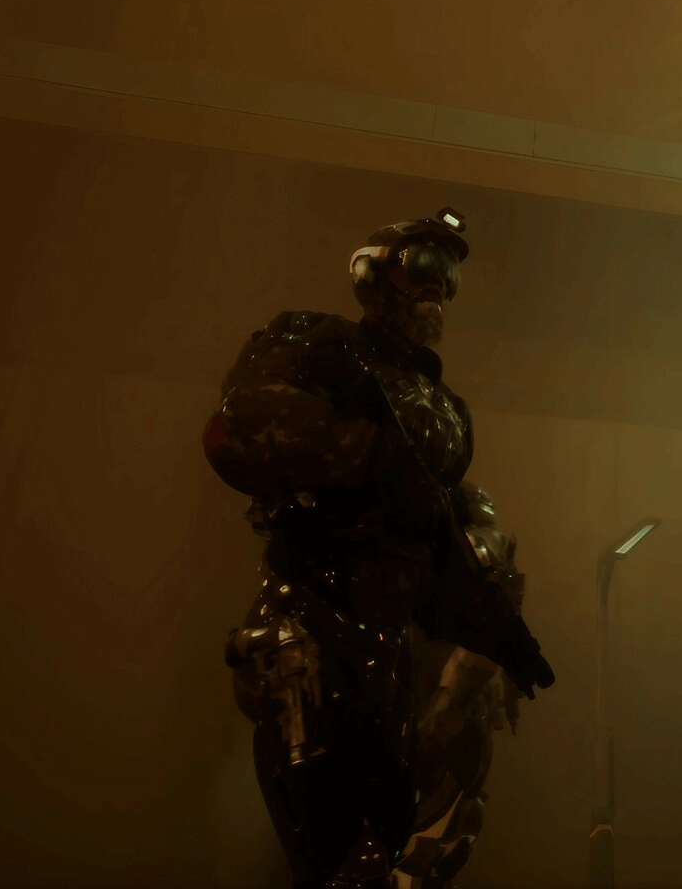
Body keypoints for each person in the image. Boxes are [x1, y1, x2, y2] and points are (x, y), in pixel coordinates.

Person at [203, 210, 555, 888]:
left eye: (449, 275)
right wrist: (363, 454)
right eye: (422, 266)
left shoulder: (444, 409)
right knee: (338, 854)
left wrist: (497, 626)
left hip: (393, 648)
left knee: (390, 847)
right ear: (371, 275)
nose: (439, 286)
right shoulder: (317, 343)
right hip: (313, 622)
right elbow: (236, 425)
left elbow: (439, 525)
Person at [395, 482, 526, 888]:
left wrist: (445, 701)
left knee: (428, 842)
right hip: (417, 709)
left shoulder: (472, 543)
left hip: (445, 719)